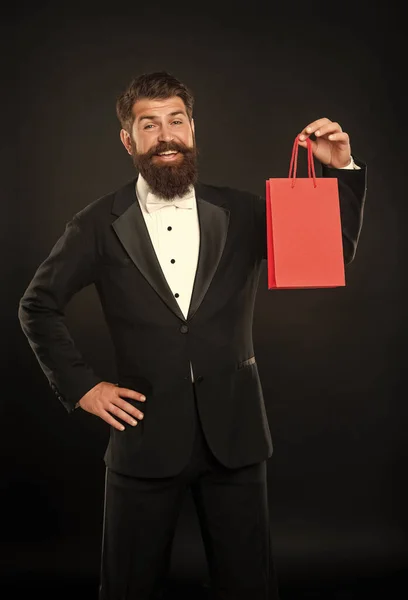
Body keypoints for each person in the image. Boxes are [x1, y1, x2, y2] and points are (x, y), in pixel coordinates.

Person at [18, 71, 367, 600]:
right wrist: (84, 387)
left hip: (237, 435)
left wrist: (340, 169)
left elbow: (330, 255)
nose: (166, 135)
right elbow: (37, 305)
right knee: (127, 588)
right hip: (142, 440)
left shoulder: (243, 210)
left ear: (192, 129)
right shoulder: (95, 223)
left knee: (249, 586)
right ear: (128, 139)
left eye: (176, 121)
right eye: (149, 124)